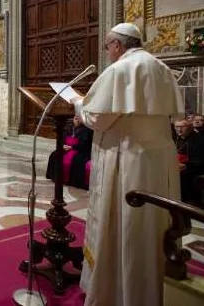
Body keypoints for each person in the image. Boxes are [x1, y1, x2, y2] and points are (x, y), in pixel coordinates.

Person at [69, 23, 183, 306]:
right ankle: (153, 291)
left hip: (127, 161)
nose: (108, 53)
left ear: (117, 45)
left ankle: (117, 293)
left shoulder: (120, 70)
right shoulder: (162, 69)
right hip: (159, 165)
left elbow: (96, 118)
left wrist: (75, 101)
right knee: (153, 226)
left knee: (126, 228)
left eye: (108, 47)